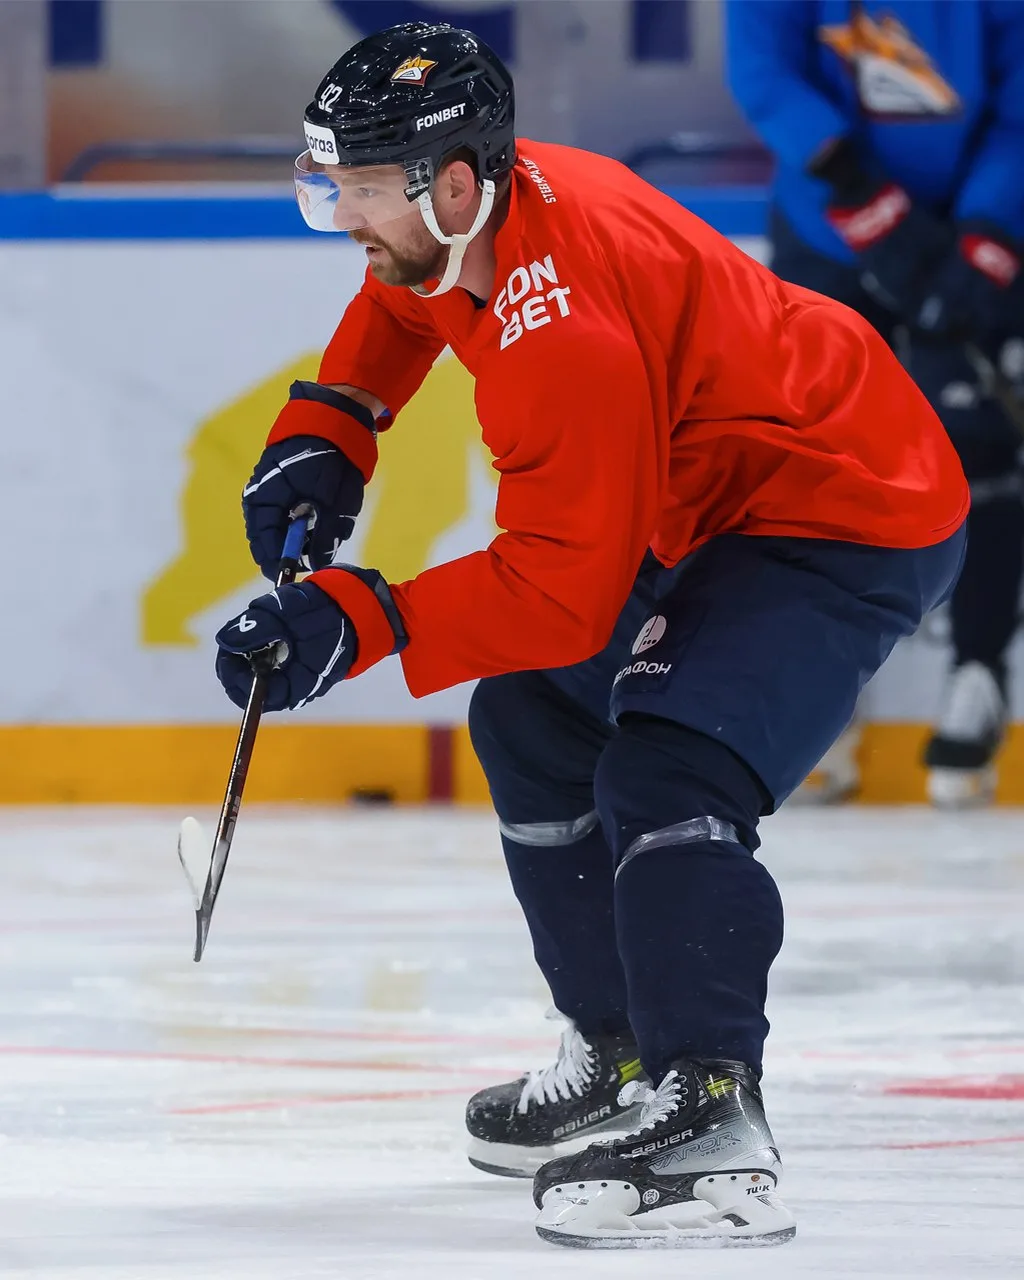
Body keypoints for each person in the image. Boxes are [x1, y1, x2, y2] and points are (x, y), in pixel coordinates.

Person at [213, 21, 967, 1248]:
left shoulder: (560, 336)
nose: (343, 217)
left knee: (670, 764)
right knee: (532, 717)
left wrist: (362, 616)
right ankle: (618, 1050)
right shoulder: (481, 211)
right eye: (329, 184)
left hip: (842, 505)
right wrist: (332, 420)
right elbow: (404, 293)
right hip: (724, 493)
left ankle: (709, 1103)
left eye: (362, 189)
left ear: (456, 184)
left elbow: (564, 587)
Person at [726, 0, 1024, 807]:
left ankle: (978, 675)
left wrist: (986, 237)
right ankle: (815, 697)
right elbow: (763, 71)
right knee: (814, 458)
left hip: (966, 227)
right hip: (827, 227)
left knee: (978, 445)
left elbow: (1019, 106)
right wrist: (859, 190)